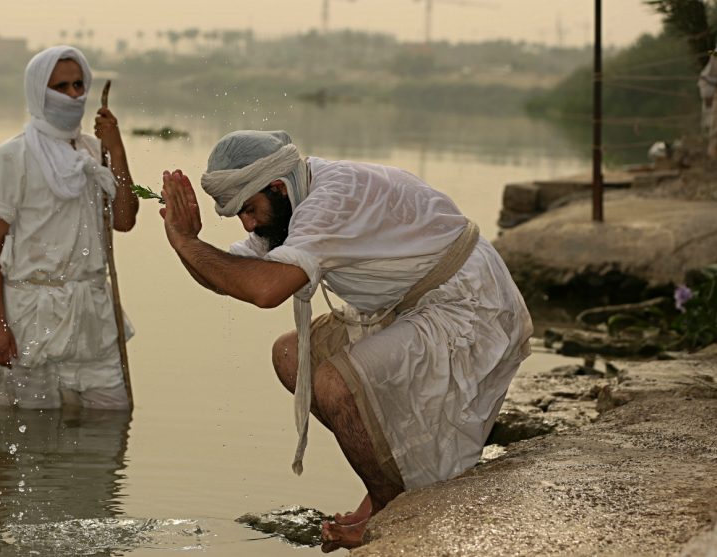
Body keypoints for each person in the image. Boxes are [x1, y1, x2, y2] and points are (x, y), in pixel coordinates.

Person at [158, 130, 532, 551]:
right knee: (291, 355)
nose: (248, 224)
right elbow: (230, 277)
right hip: (411, 304)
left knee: (336, 384)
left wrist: (186, 242)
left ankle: (390, 509)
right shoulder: (293, 196)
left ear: (277, 188)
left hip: (470, 306)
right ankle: (385, 492)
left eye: (249, 210)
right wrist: (182, 241)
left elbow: (264, 291)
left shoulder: (328, 201)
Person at [0, 46, 139, 411]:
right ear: (37, 91)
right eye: (60, 87)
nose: (72, 95)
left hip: (92, 315)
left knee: (111, 418)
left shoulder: (94, 152)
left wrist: (116, 149)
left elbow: (125, 220)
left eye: (78, 85)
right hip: (31, 318)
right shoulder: (10, 157)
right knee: (30, 441)